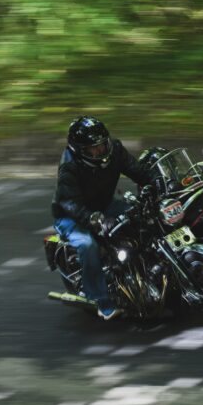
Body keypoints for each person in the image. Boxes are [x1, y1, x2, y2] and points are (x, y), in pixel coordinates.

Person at [52, 116, 152, 320]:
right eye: (92, 149)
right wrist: (96, 219)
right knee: (88, 244)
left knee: (143, 217)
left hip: (105, 204)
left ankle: (147, 275)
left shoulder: (114, 150)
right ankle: (101, 301)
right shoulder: (69, 168)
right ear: (79, 150)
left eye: (101, 145)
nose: (100, 151)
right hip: (72, 215)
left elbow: (137, 170)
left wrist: (157, 183)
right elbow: (71, 204)